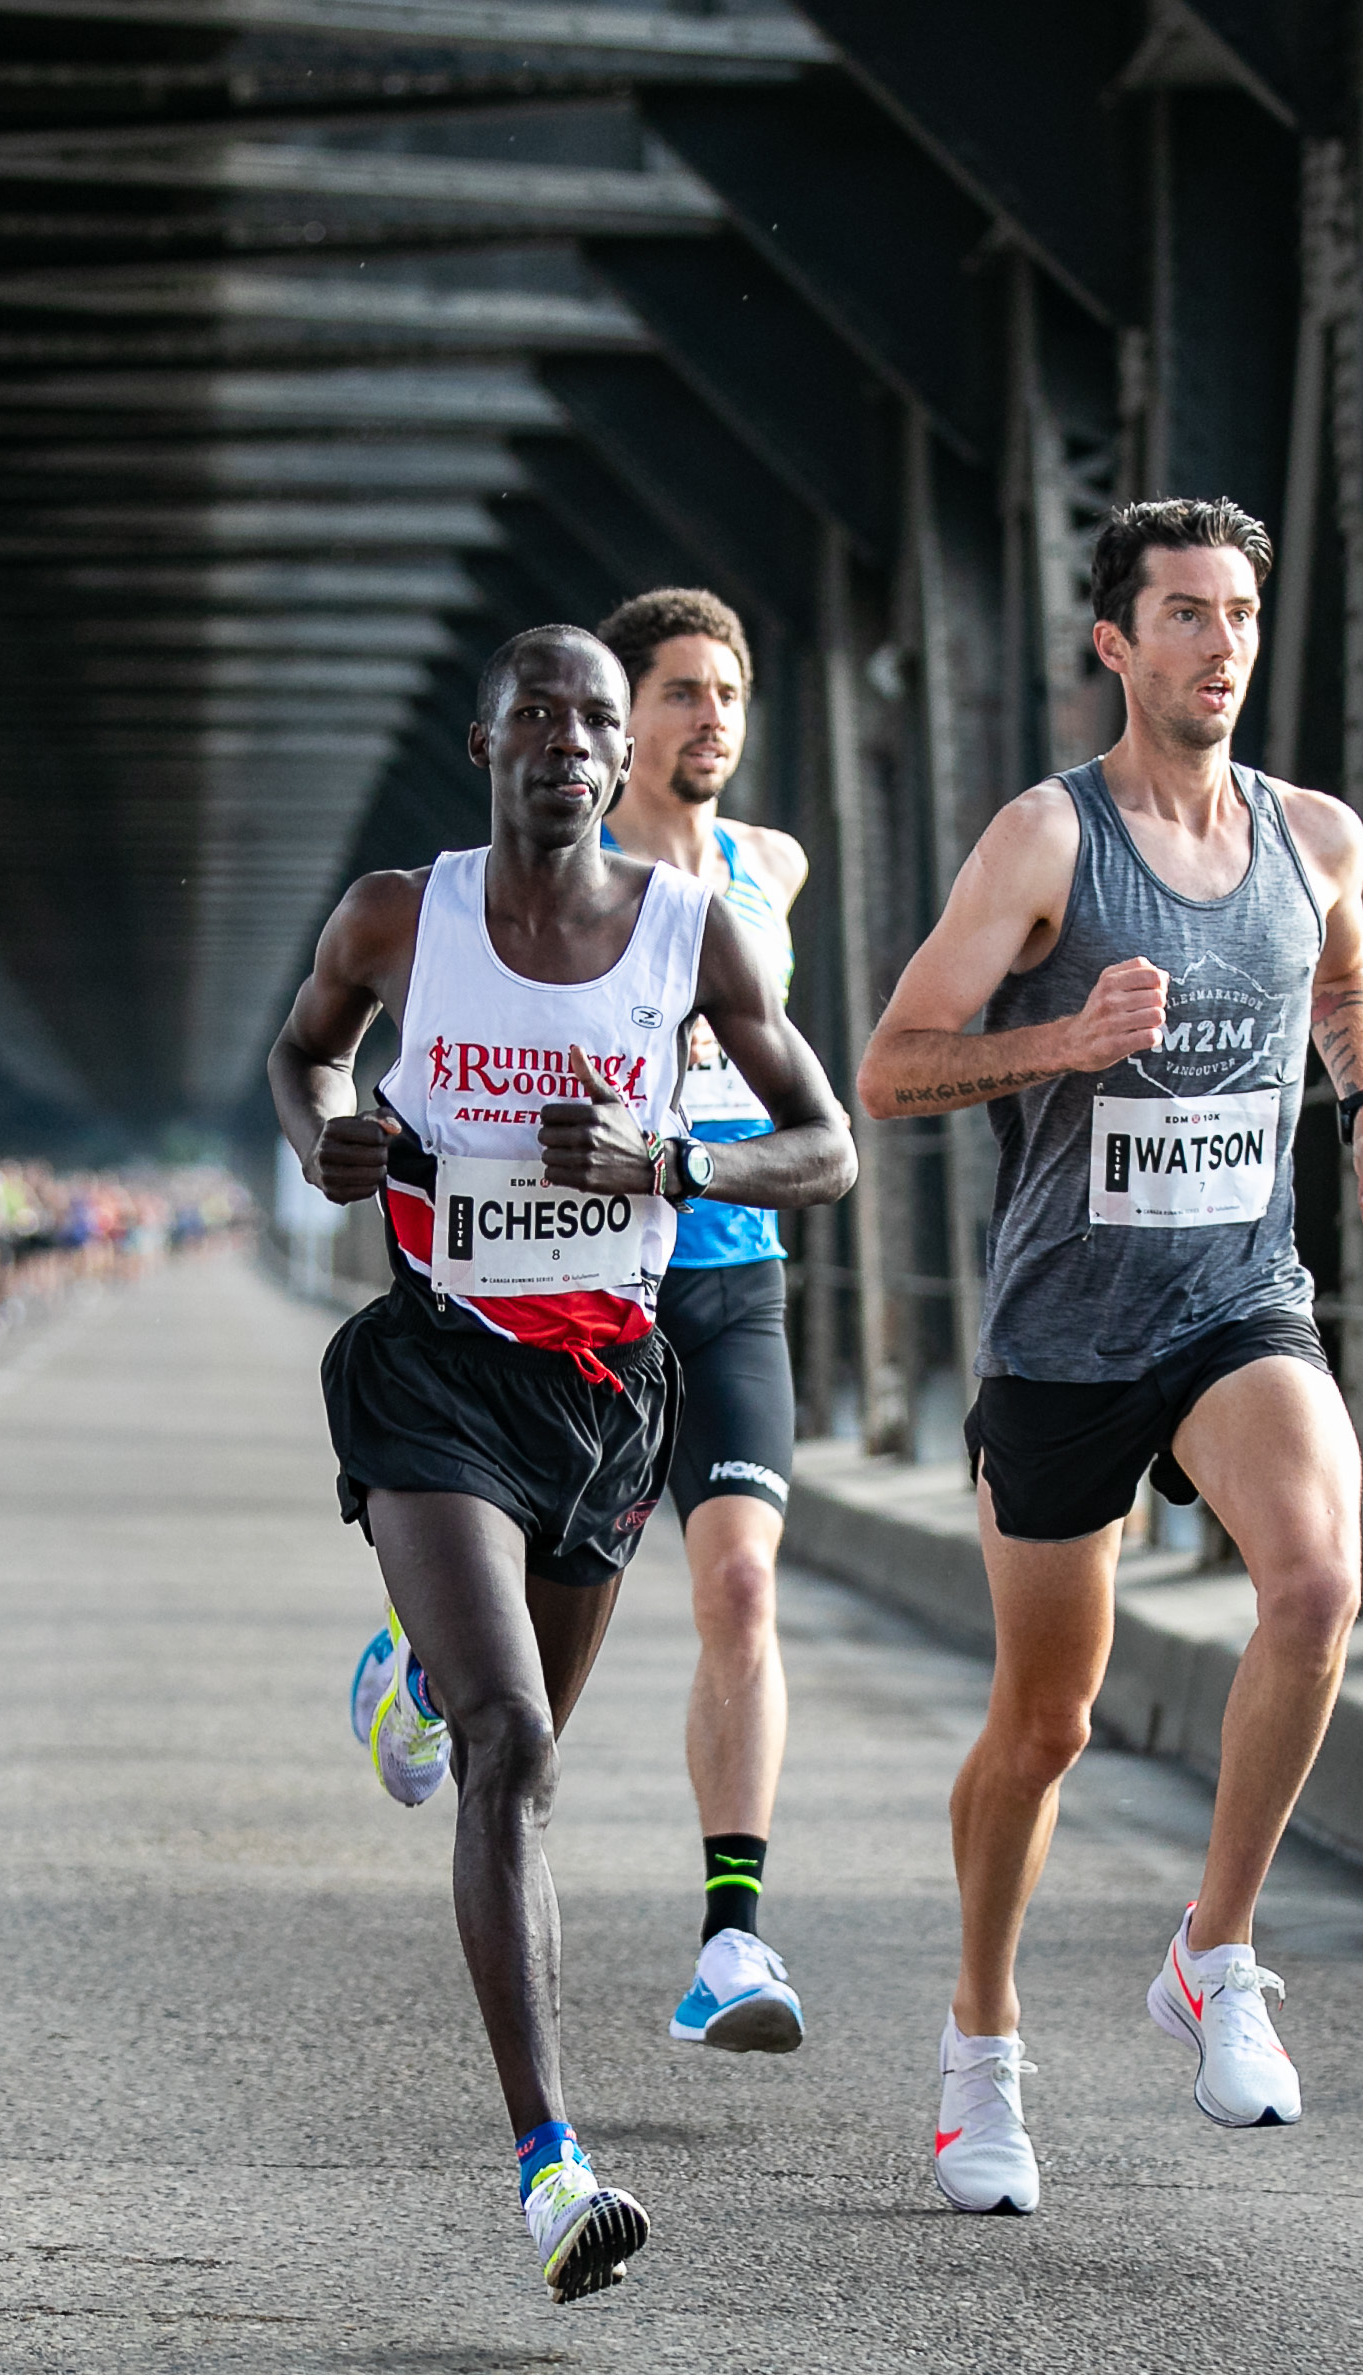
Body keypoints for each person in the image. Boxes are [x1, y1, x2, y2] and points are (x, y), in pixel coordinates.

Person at [855, 497, 1363, 2218]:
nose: (1219, 643)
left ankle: (1218, 1952)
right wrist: (1062, 1041)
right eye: (1181, 614)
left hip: (1237, 1301)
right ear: (1116, 643)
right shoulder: (1047, 842)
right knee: (1049, 1723)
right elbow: (892, 1069)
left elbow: (1344, 973)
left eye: (1240, 613)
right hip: (1063, 1337)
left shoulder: (1312, 832)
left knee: (1320, 1583)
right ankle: (979, 2050)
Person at [268, 624, 854, 2302]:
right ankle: (551, 2163)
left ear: (617, 760)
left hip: (609, 1392)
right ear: (486, 741)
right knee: (510, 1742)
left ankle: (402, 1670)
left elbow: (827, 1145)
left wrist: (672, 1154)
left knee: (513, 1743)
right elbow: (302, 1053)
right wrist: (328, 1137)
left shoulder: (694, 932)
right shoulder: (403, 914)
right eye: (539, 718)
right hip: (440, 1368)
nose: (570, 745)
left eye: (597, 722)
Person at [593, 589, 817, 2056]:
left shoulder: (772, 867)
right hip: (586, 1276)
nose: (712, 717)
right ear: (619, 723)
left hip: (732, 1265)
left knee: (738, 1584)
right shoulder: (559, 879)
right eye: (680, 692)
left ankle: (730, 1935)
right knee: (557, 1586)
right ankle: (417, 1662)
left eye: (728, 691)